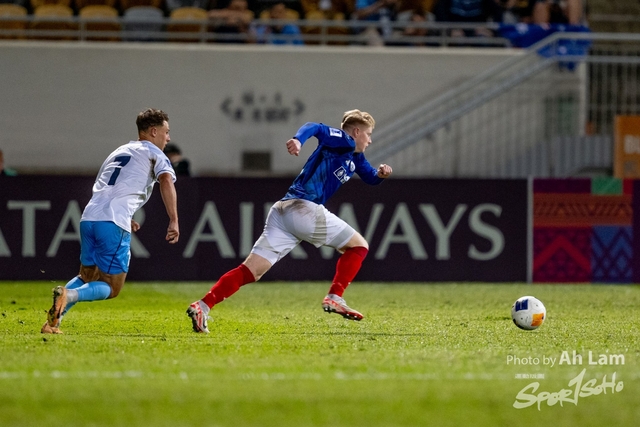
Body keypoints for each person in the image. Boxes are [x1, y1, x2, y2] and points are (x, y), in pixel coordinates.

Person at [186, 109, 393, 333]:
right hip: (304, 208)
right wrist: (298, 139)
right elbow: (315, 127)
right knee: (359, 246)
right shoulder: (344, 140)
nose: (370, 140)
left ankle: (203, 306)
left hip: (283, 211)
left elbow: (370, 177)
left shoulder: (355, 156)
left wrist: (381, 175)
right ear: (356, 132)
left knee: (251, 271)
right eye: (368, 134)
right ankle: (335, 296)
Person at [41, 108, 180, 334]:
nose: (168, 138)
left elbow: (107, 186)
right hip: (113, 221)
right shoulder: (155, 154)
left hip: (90, 217)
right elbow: (166, 180)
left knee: (86, 275)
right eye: (166, 132)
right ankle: (69, 295)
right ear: (154, 131)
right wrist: (173, 219)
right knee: (112, 286)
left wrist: (127, 214)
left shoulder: (119, 151)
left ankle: (52, 324)